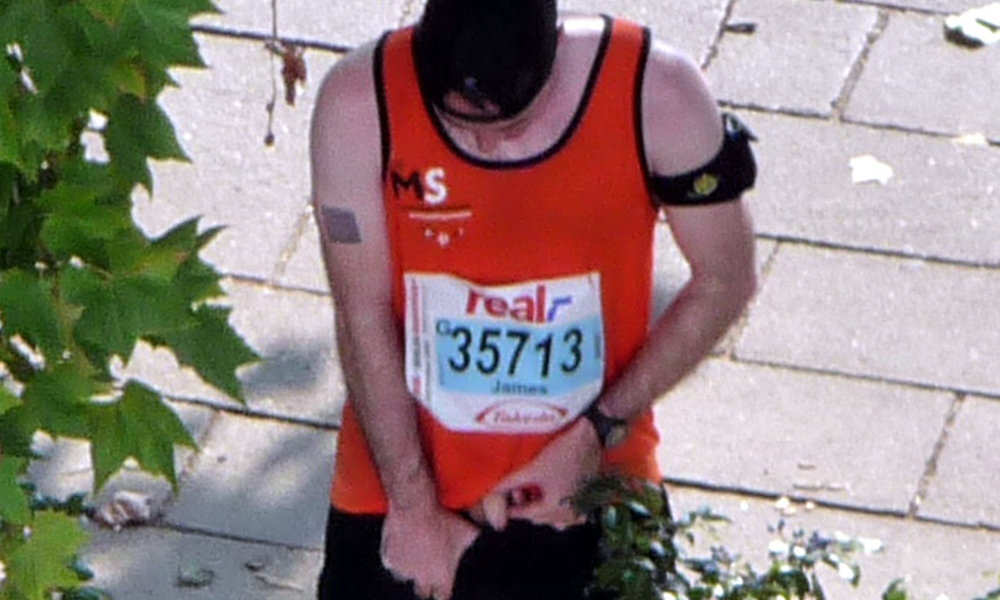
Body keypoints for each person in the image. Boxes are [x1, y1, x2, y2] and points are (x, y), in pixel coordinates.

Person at [309, 0, 758, 598]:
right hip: (398, 490)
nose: (487, 150)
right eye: (462, 128)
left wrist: (597, 432)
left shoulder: (657, 93)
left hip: (587, 487)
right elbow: (359, 308)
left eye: (510, 127)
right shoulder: (358, 104)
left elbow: (727, 278)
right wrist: (414, 506)